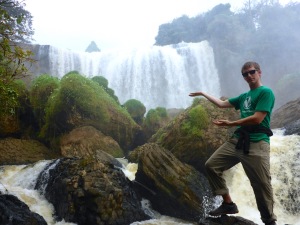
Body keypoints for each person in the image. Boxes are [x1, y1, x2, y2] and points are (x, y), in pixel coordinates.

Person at [189, 61, 277, 225]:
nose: (249, 76)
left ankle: (269, 221)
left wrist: (231, 124)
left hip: (257, 142)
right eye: (245, 74)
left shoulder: (266, 92)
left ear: (259, 72)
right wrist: (203, 93)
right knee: (211, 165)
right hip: (238, 140)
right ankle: (228, 203)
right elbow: (222, 104)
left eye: (251, 72)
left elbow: (258, 118)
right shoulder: (244, 97)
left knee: (261, 185)